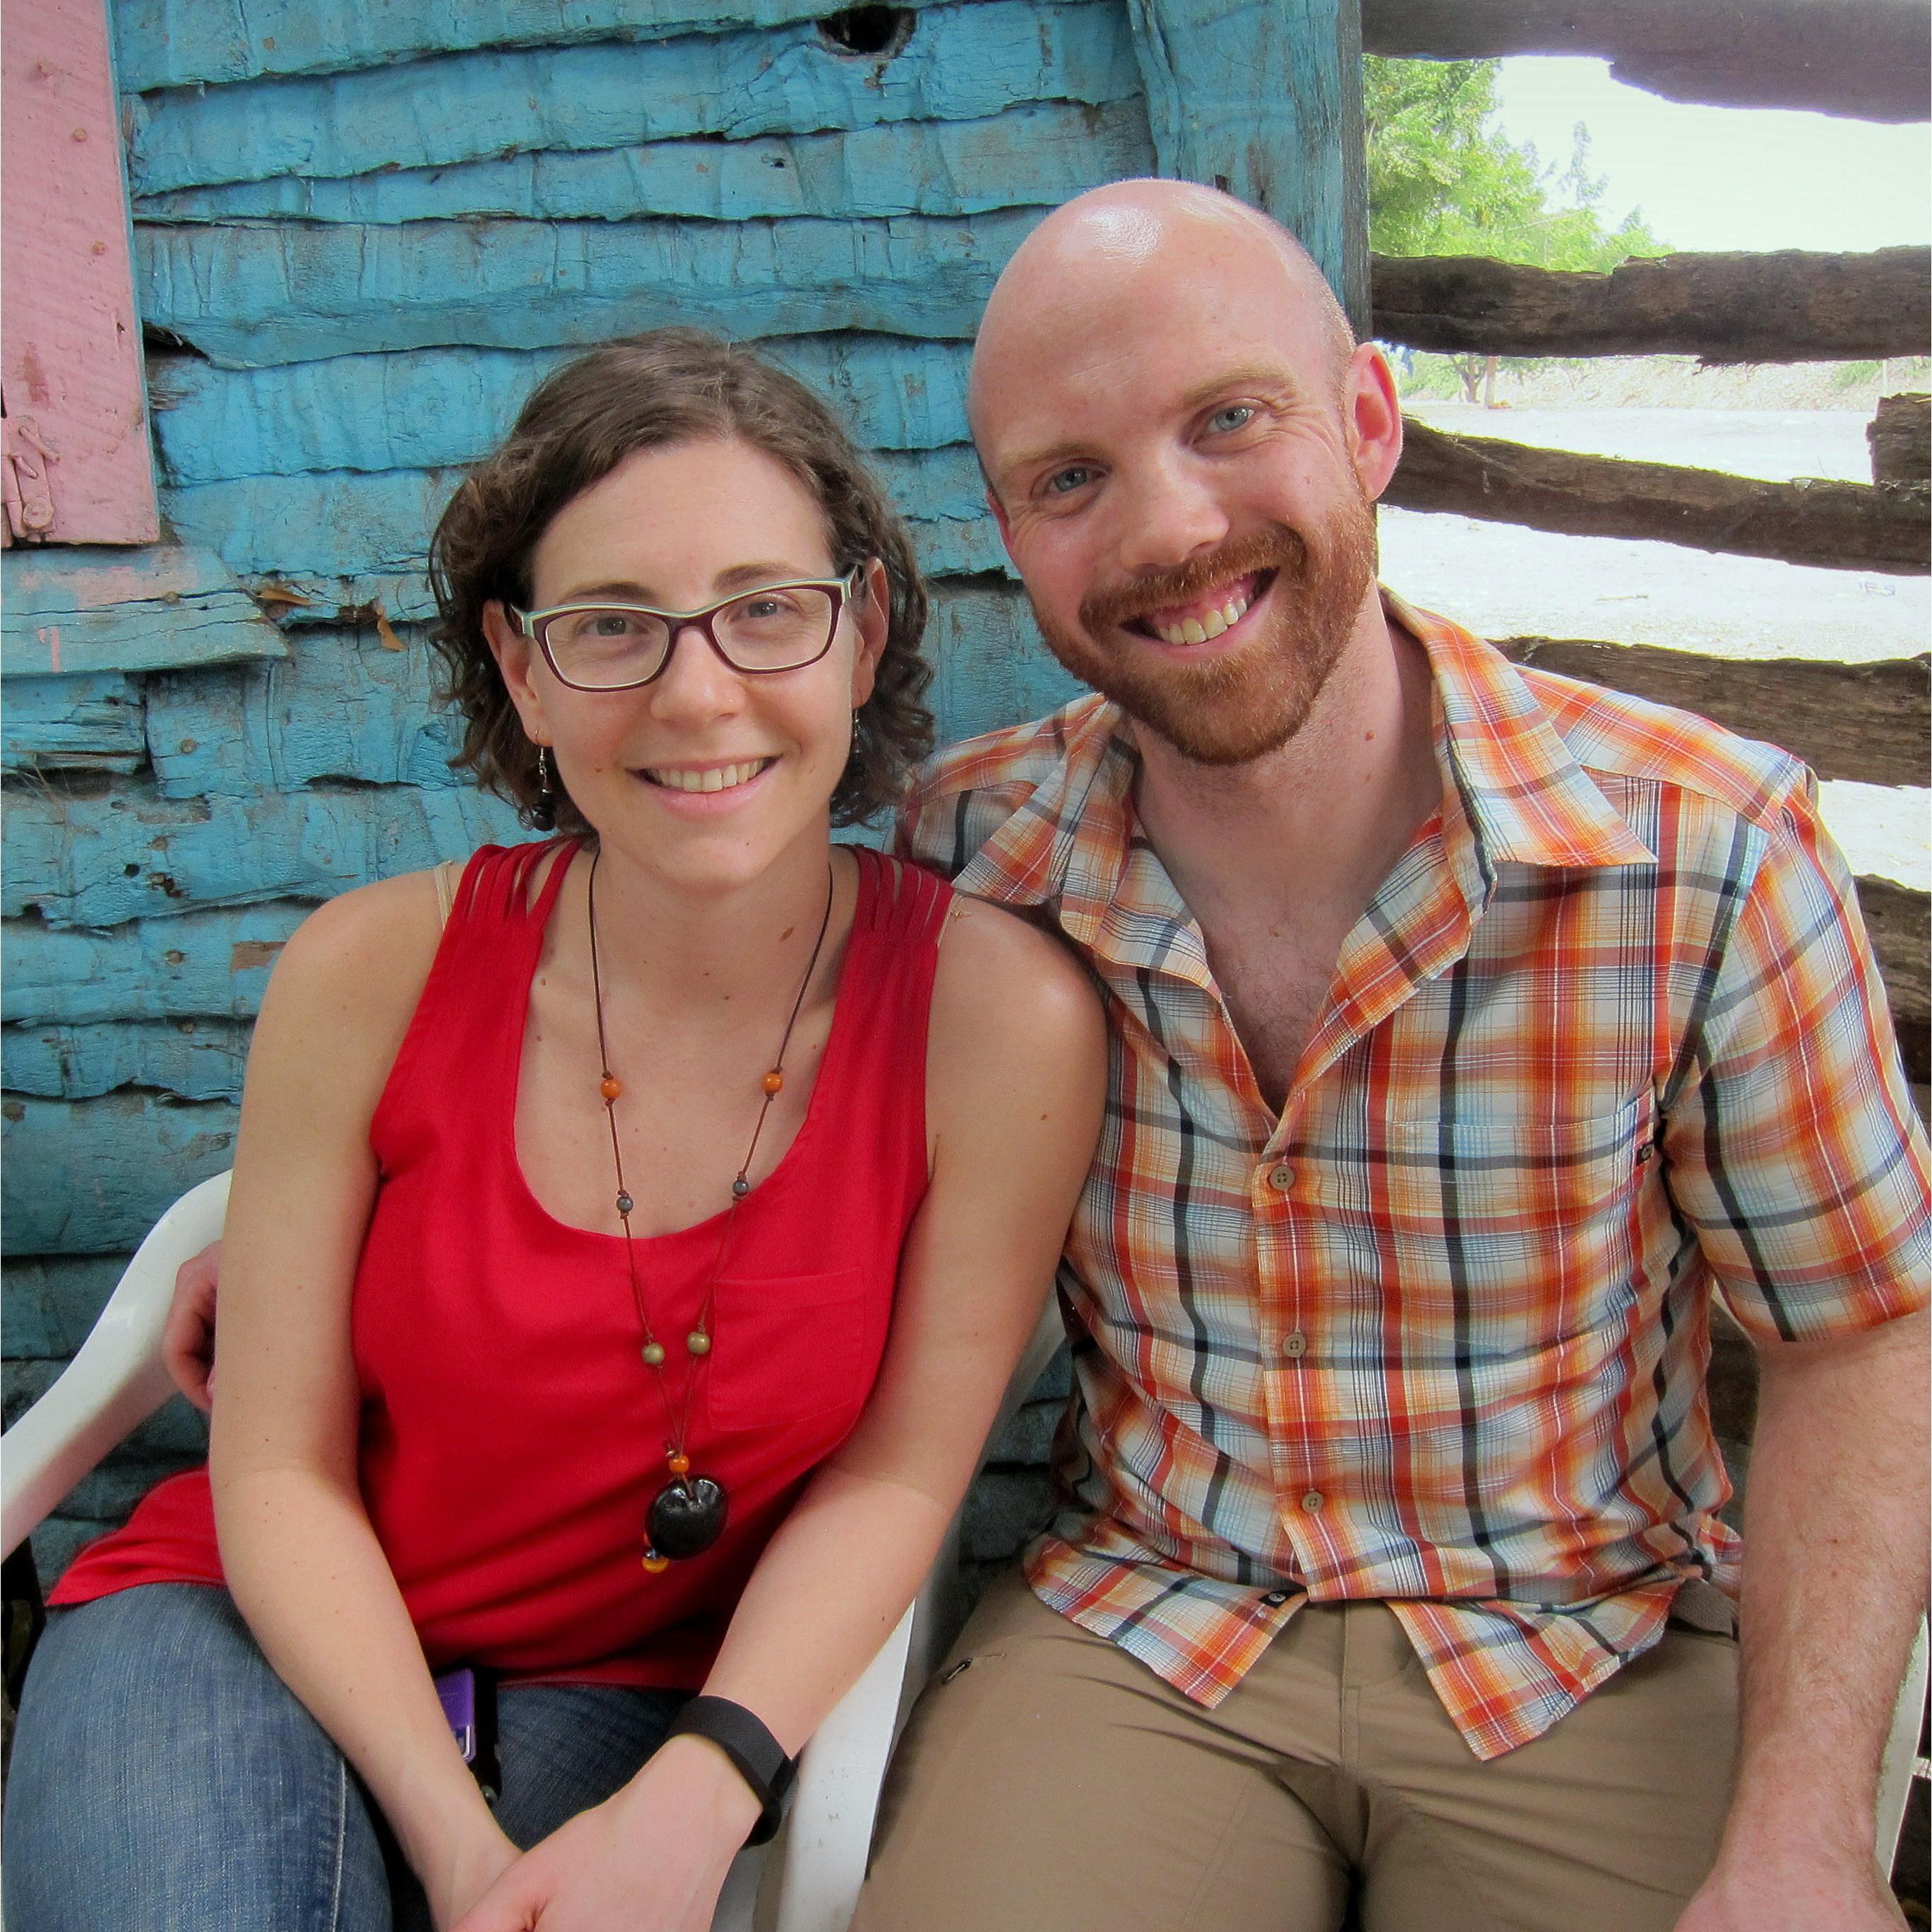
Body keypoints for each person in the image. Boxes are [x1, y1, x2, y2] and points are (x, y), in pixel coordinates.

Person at [845, 182, 1931, 1932]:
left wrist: (1804, 1832)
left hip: (1587, 1641)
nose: (1169, 527)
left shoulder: (1704, 846)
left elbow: (1865, 1336)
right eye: (1071, 478)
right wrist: (339, 1253)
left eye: (1228, 420)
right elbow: (717, 1109)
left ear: (1365, 420)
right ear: (1008, 530)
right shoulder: (965, 858)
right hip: (1148, 1621)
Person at [4, 330, 1105, 1932]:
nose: (698, 692)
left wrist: (706, 1782)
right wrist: (449, 1845)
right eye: (611, 628)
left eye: (766, 611)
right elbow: (282, 1468)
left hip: (639, 1685)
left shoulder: (996, 1025)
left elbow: (895, 1477)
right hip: (241, 1625)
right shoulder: (365, 973)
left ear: (861, 631)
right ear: (520, 668)